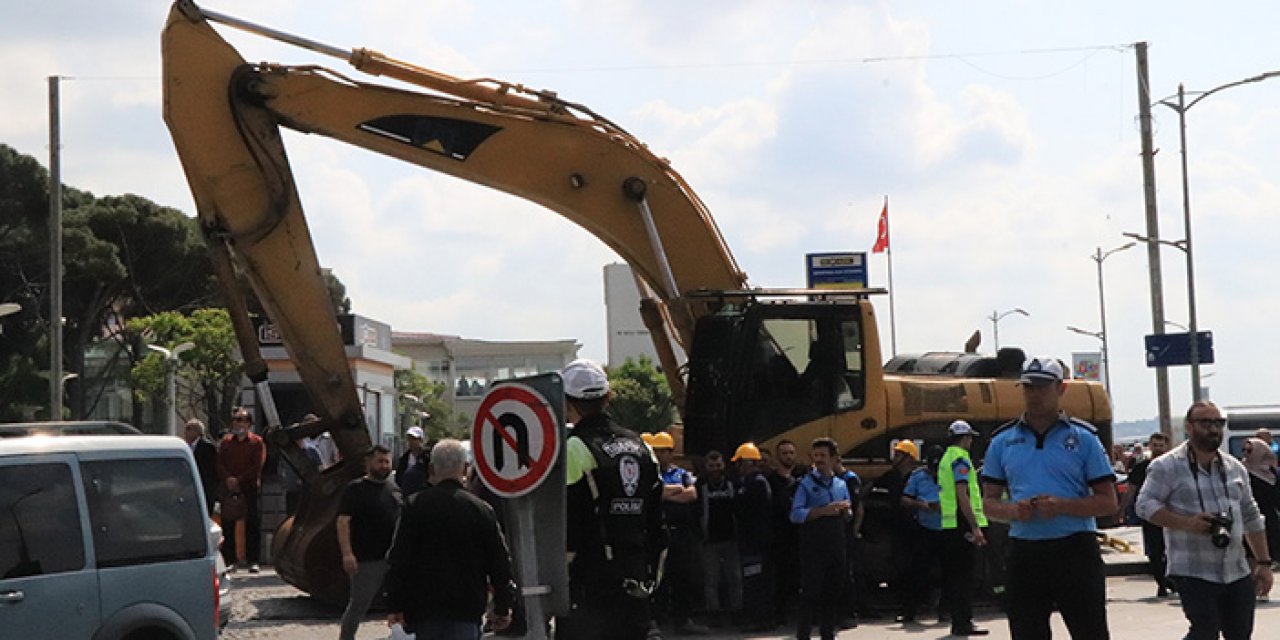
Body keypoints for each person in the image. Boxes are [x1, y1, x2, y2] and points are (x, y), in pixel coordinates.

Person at [980, 357, 1116, 639]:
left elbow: (1108, 501)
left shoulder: (1084, 438)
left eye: (1042, 387)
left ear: (1061, 388)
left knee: (1090, 632)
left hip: (1075, 550)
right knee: (1027, 633)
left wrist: (1063, 506)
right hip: (1025, 552)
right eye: (1028, 387)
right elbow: (988, 503)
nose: (1035, 394)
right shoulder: (1002, 442)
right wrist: (1014, 511)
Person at [1137, 401, 1274, 639]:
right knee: (1205, 631)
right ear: (1189, 427)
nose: (1213, 429)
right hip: (1193, 570)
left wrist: (1263, 563)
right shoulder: (1166, 467)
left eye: (1218, 423)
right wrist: (1187, 523)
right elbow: (1144, 506)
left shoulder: (1235, 468)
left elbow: (1251, 515)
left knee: (1240, 633)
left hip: (1236, 569)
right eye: (1205, 423)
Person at [556, 359, 666, 640]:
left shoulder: (575, 448)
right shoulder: (643, 447)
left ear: (567, 402)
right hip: (637, 580)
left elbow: (570, 524)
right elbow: (657, 522)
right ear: (608, 397)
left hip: (591, 585)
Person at [385, 439, 515, 638]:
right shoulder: (481, 510)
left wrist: (395, 604)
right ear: (465, 469)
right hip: (466, 607)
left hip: (423, 608)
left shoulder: (414, 506)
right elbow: (499, 562)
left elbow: (399, 558)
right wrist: (502, 606)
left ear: (431, 469)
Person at [337, 446, 402, 640]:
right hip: (366, 559)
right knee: (359, 605)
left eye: (387, 462)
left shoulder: (394, 489)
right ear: (369, 463)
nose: (384, 466)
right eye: (380, 461)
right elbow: (342, 522)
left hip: (393, 559)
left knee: (399, 603)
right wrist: (347, 553)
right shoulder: (355, 490)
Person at [790, 437, 852, 640]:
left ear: (834, 458)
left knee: (833, 592)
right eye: (816, 456)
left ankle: (828, 633)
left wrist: (845, 512)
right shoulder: (806, 484)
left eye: (823, 456)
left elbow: (848, 511)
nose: (819, 460)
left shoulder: (841, 484)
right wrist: (823, 511)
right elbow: (796, 514)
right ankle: (804, 635)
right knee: (810, 593)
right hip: (813, 546)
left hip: (836, 543)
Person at [651, 430, 707, 635]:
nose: (659, 455)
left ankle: (683, 620)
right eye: (656, 451)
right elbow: (653, 494)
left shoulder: (681, 473)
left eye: (663, 451)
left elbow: (691, 494)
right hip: (659, 532)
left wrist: (665, 493)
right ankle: (656, 620)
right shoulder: (650, 473)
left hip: (682, 534)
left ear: (671, 452)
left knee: (683, 577)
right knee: (659, 580)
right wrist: (673, 492)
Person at [938, 420, 989, 636]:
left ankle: (957, 620)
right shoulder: (960, 459)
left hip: (950, 524)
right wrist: (975, 526)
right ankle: (963, 622)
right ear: (965, 438)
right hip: (962, 524)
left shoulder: (946, 457)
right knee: (964, 577)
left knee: (954, 575)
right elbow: (962, 494)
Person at [1122, 432, 1174, 596]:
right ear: (1150, 446)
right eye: (1155, 445)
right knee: (1155, 552)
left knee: (1172, 550)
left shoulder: (1174, 467)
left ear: (1167, 447)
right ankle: (1162, 583)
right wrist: (1121, 509)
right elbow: (1131, 491)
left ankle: (1171, 580)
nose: (1158, 449)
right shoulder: (1140, 468)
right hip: (1150, 516)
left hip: (1172, 515)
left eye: (1161, 446)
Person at [899, 445, 945, 624]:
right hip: (924, 529)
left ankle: (945, 611)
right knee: (917, 572)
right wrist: (923, 505)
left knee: (949, 573)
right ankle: (909, 611)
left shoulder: (952, 476)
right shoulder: (918, 476)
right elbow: (904, 499)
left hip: (947, 528)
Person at [217, 408, 267, 573]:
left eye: (241, 420)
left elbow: (257, 465)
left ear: (248, 423)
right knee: (228, 523)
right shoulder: (226, 442)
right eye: (235, 419)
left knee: (252, 522)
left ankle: (253, 559)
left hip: (249, 487)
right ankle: (230, 560)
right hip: (229, 488)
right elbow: (219, 463)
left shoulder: (256, 442)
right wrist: (228, 479)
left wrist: (239, 479)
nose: (237, 423)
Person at [732, 442, 775, 633]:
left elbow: (746, 511)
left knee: (755, 581)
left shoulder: (756, 483)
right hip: (753, 541)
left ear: (746, 462)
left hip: (755, 543)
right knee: (753, 580)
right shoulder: (752, 482)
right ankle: (756, 617)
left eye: (739, 463)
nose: (737, 467)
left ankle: (760, 619)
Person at [697, 450, 742, 627]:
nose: (715, 469)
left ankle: (737, 612)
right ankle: (713, 615)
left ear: (724, 465)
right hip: (709, 541)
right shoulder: (700, 485)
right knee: (711, 579)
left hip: (731, 539)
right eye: (711, 466)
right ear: (705, 466)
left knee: (735, 578)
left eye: (718, 465)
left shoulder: (732, 484)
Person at [769, 439, 803, 626]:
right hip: (779, 537)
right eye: (784, 453)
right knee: (780, 579)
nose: (788, 456)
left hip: (798, 536)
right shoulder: (771, 480)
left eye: (791, 453)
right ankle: (779, 614)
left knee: (799, 578)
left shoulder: (802, 479)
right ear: (777, 456)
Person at [831, 455, 866, 627]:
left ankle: (849, 613)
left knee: (847, 574)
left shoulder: (849, 480)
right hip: (833, 534)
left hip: (846, 532)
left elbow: (858, 508)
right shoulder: (829, 480)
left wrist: (854, 531)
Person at [1242, 437, 1280, 571]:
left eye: (1249, 450)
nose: (1246, 454)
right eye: (1244, 450)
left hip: (1269, 521)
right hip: (1249, 520)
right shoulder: (1242, 472)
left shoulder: (1272, 473)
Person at [182, 418, 219, 516]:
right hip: (190, 492)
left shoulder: (206, 447)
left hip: (204, 492)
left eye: (188, 429)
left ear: (197, 431)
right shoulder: (187, 447)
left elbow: (209, 472)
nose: (185, 432)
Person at [280, 434, 322, 516]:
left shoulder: (312, 451)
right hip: (292, 492)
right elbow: (281, 469)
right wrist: (285, 484)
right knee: (292, 516)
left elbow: (320, 469)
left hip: (309, 491)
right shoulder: (286, 453)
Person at [395, 426, 430, 496]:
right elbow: (399, 477)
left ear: (421, 440)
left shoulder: (428, 458)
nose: (411, 442)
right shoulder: (404, 459)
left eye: (414, 439)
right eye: (409, 439)